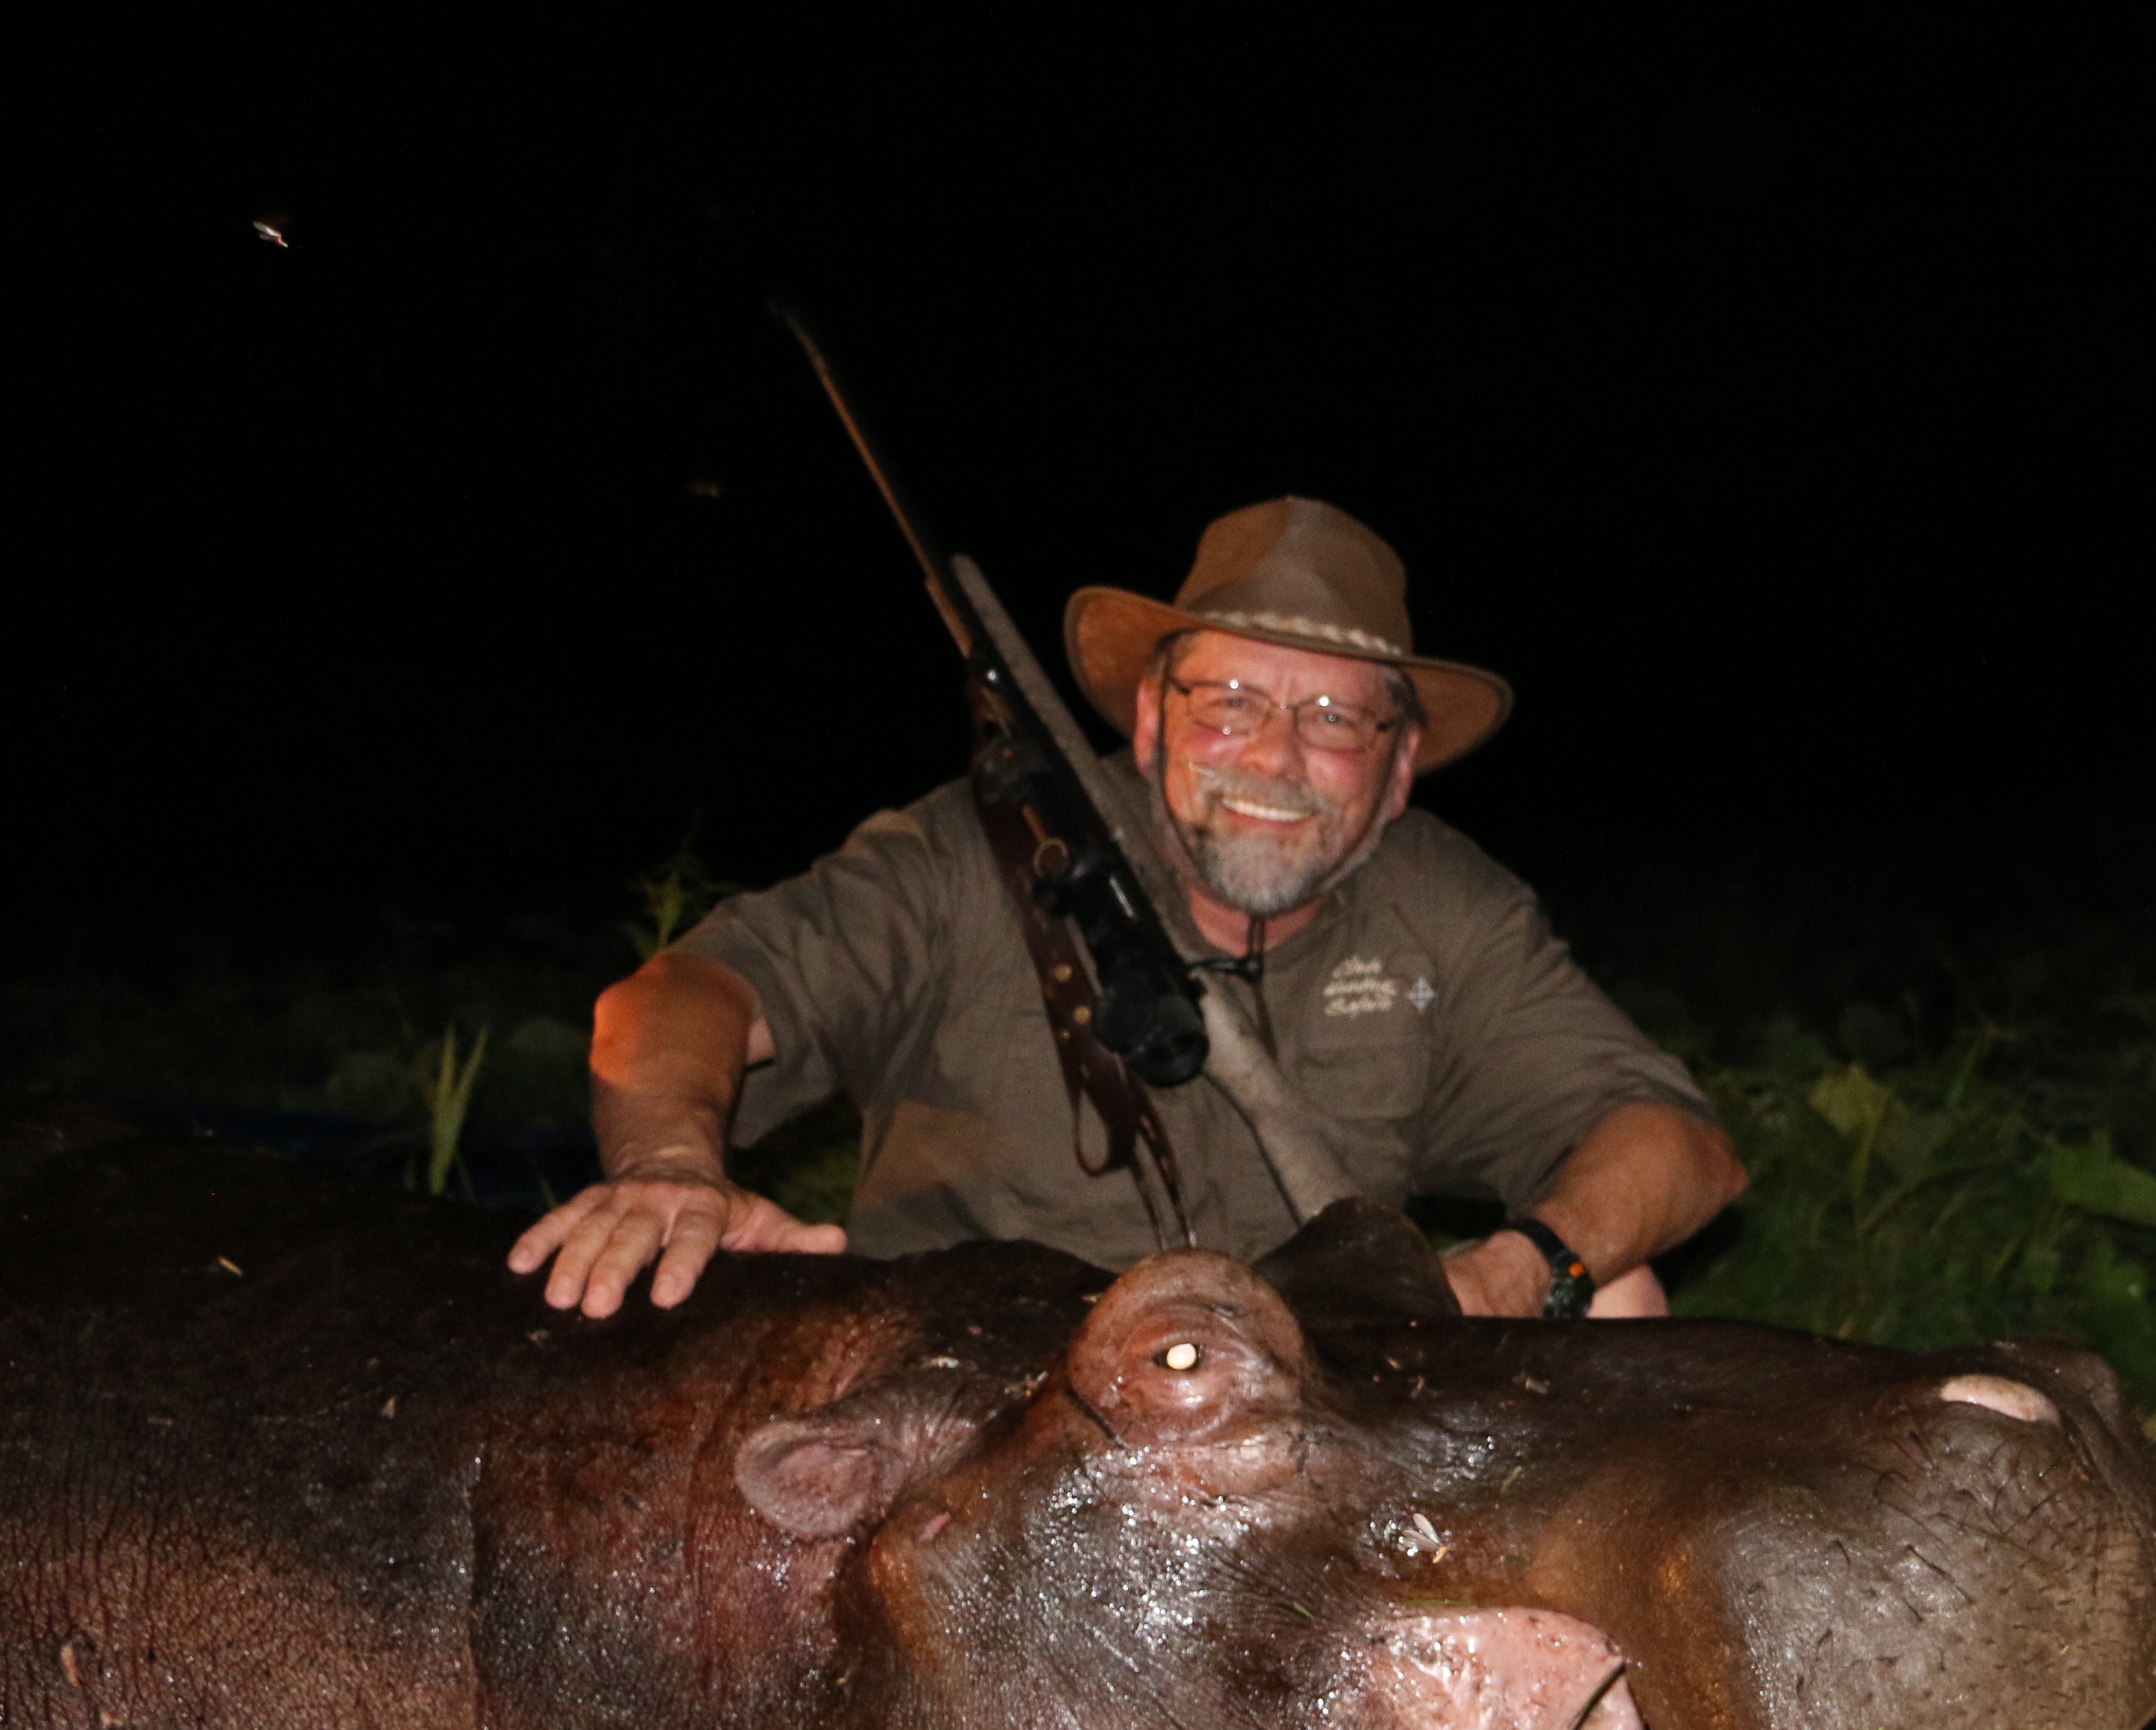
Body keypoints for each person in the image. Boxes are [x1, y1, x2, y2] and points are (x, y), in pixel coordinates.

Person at [510, 497, 1743, 1323]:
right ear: (1151, 718)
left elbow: (1676, 1139)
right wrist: (670, 1171)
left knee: (1610, 1288)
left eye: (1333, 719)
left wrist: (1520, 1270)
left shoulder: (1442, 900)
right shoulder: (974, 850)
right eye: (1229, 703)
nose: (1275, 757)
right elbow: (681, 995)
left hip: (1295, 1405)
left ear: (1398, 764)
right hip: (977, 1385)